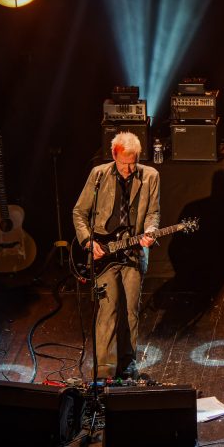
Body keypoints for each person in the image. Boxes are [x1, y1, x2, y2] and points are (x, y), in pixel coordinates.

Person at [73, 131, 160, 381]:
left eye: (133, 163)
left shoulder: (151, 176)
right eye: (124, 163)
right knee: (107, 310)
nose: (129, 169)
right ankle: (104, 369)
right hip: (104, 253)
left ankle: (128, 363)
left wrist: (150, 232)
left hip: (133, 251)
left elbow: (153, 213)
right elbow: (79, 212)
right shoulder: (98, 175)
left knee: (131, 311)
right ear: (114, 155)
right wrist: (89, 241)